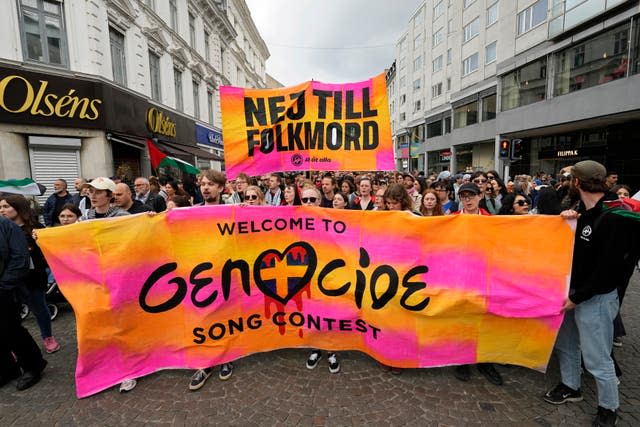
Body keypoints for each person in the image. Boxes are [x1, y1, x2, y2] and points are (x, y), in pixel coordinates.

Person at [544, 161, 639, 427]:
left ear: (577, 183)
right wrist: (572, 219)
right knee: (567, 344)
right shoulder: (587, 211)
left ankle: (609, 408)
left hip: (593, 299)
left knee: (597, 357)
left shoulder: (613, 216)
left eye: (569, 179)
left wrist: (578, 298)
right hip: (572, 293)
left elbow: (609, 270)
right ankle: (570, 386)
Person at [452, 183, 503, 385]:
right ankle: (462, 360)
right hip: (461, 277)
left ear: (480, 196)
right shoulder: (452, 220)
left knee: (486, 320)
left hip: (485, 277)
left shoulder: (491, 221)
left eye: (471, 196)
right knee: (463, 318)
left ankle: (485, 361)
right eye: (463, 196)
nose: (468, 200)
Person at [189, 169, 234, 391]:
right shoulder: (189, 213)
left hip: (228, 273)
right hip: (200, 276)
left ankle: (226, 357)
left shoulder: (232, 211)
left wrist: (249, 212)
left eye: (210, 184)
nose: (205, 188)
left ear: (220, 188)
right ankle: (205, 363)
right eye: (203, 184)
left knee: (226, 316)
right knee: (203, 317)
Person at [0, 195, 60, 354]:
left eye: (6, 207)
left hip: (32, 278)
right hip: (10, 280)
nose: (2, 210)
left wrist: (34, 249)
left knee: (39, 309)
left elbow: (48, 255)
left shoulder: (35, 227)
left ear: (18, 207)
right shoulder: (3, 229)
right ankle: (17, 344)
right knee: (12, 314)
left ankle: (48, 337)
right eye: (0, 207)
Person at [0, 214, 48, 391]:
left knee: (10, 328)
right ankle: (8, 369)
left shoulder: (6, 226)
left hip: (6, 290)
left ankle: (33, 365)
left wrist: (4, 286)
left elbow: (20, 258)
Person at [300, 184, 341, 374]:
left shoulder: (331, 218)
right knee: (310, 313)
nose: (309, 203)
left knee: (329, 313)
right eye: (305, 199)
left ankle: (331, 349)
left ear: (319, 200)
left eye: (312, 199)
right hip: (305, 276)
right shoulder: (292, 219)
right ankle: (315, 348)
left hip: (328, 275)